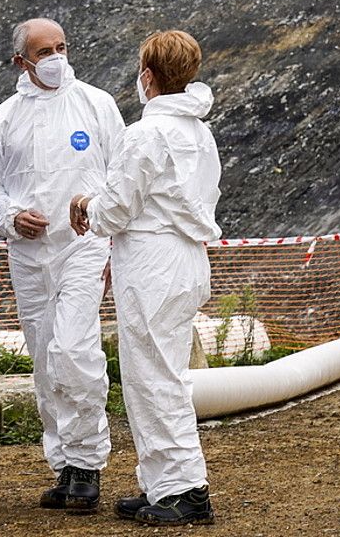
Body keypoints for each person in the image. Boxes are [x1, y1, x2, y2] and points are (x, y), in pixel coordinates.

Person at [69, 29, 221, 527]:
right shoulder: (199, 132)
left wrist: (85, 204)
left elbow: (114, 210)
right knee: (160, 374)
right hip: (186, 258)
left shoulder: (146, 134)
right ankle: (162, 482)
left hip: (153, 263)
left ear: (148, 76)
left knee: (154, 378)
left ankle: (184, 490)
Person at [0, 17, 124, 512]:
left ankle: (88, 464)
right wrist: (12, 217)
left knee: (74, 349)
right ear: (21, 61)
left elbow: (122, 177)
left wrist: (111, 238)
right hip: (28, 254)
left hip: (84, 245)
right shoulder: (4, 119)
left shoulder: (96, 104)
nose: (56, 57)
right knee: (43, 356)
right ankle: (63, 462)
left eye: (61, 46)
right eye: (44, 51)